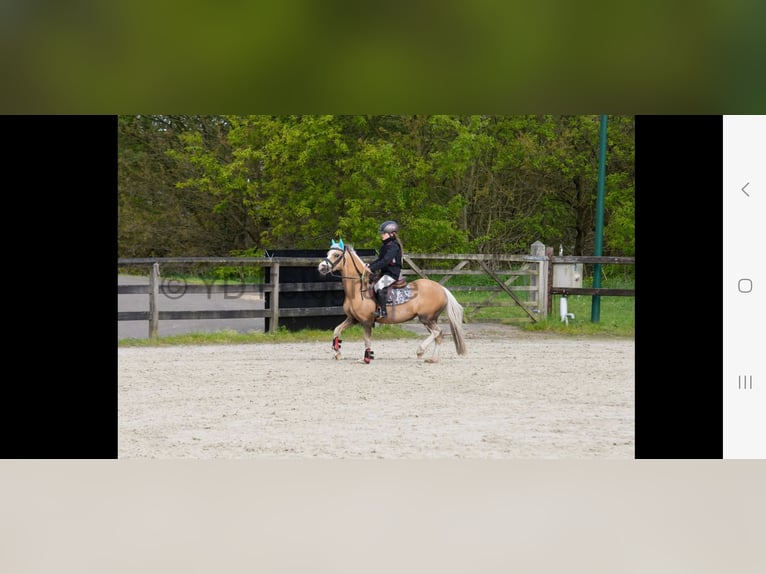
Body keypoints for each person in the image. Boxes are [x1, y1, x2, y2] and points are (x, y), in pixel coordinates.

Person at [365, 220, 402, 318]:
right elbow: (380, 260)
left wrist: (372, 268)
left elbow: (386, 261)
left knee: (378, 286)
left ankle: (383, 312)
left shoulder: (394, 246)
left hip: (392, 274)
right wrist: (370, 265)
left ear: (391, 234)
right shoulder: (384, 246)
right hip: (385, 273)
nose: (382, 235)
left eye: (384, 233)